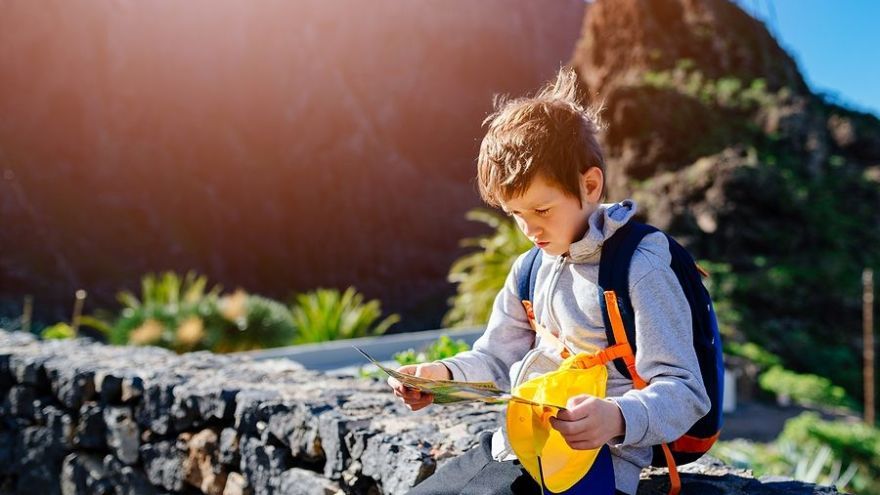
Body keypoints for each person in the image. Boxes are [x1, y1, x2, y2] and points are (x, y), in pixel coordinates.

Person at [388, 67, 710, 495]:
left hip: (592, 468)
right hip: (517, 448)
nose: (530, 229)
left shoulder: (640, 266)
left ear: (590, 184)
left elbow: (686, 392)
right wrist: (441, 376)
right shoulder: (529, 269)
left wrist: (615, 417)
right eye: (516, 214)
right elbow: (497, 359)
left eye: (542, 210)